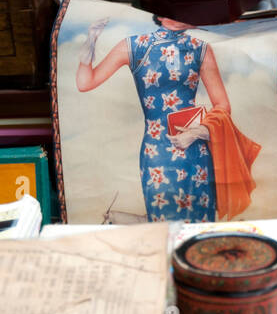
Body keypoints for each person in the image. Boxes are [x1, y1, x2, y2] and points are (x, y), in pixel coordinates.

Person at [76, 14, 255, 221]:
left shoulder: (201, 48)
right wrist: (90, 41)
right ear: (159, 14)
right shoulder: (134, 46)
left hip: (195, 151)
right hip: (157, 152)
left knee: (199, 224)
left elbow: (223, 106)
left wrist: (196, 132)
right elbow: (85, 83)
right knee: (162, 223)